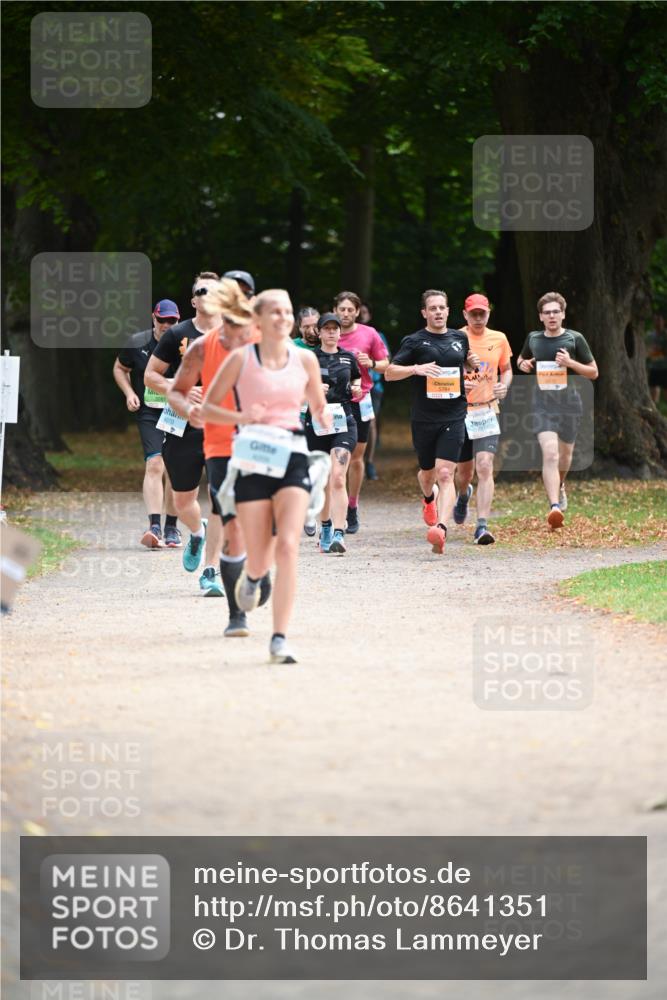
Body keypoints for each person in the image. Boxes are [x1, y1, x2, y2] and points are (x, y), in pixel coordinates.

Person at [200, 289, 330, 664]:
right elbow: (209, 406)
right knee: (259, 553)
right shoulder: (241, 360)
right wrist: (242, 418)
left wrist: (322, 419)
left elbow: (319, 407)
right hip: (253, 457)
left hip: (291, 454)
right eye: (275, 312)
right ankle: (254, 576)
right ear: (258, 321)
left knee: (288, 545)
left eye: (287, 311)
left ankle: (278, 638)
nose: (283, 318)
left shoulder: (305, 359)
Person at [167, 279, 270, 633]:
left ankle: (259, 569)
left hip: (264, 442)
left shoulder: (267, 340)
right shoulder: (201, 347)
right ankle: (235, 614)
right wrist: (187, 410)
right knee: (231, 523)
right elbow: (177, 392)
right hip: (220, 445)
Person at [144, 271, 225, 593]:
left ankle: (211, 570)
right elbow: (151, 376)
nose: (208, 295)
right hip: (183, 427)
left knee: (221, 500)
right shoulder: (177, 333)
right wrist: (178, 388)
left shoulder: (233, 335)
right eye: (201, 291)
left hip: (222, 428)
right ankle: (196, 532)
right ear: (193, 300)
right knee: (181, 501)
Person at [385, 289, 479, 555]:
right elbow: (391, 373)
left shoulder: (460, 338)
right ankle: (429, 498)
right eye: (433, 308)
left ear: (448, 311)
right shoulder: (414, 341)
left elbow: (466, 367)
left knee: (446, 473)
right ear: (424, 313)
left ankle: (441, 527)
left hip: (454, 414)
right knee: (427, 475)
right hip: (424, 417)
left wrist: (471, 364)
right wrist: (416, 369)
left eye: (442, 307)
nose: (438, 312)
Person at [516, 291, 598, 529]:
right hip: (542, 405)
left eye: (556, 312)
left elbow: (594, 372)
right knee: (550, 454)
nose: (552, 316)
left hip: (570, 404)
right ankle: (553, 507)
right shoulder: (533, 338)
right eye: (547, 312)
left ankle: (560, 486)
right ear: (541, 317)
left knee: (564, 457)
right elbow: (521, 361)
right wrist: (524, 364)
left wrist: (570, 363)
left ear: (563, 314)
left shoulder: (575, 339)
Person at [113, 299, 182, 548]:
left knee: (175, 469)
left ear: (178, 320)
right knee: (155, 463)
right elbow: (120, 368)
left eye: (172, 320)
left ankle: (172, 527)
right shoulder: (137, 342)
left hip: (178, 412)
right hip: (149, 412)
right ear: (153, 318)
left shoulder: (186, 343)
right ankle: (154, 526)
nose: (166, 324)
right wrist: (130, 393)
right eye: (162, 319)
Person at [454, 293, 513, 544]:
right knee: (464, 473)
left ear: (488, 314)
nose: (478, 318)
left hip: (487, 409)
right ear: (465, 315)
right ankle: (463, 494)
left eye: (483, 313)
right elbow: (444, 370)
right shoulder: (454, 337)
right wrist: (459, 380)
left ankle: (481, 526)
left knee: (485, 466)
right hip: (459, 412)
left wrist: (504, 386)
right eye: (473, 313)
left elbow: (506, 369)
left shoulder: (499, 338)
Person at [303, 313, 361, 554]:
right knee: (322, 479)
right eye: (326, 328)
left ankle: (339, 532)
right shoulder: (309, 358)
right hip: (316, 423)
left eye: (334, 329)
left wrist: (357, 388)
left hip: (343, 421)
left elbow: (357, 382)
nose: (331, 332)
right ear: (319, 332)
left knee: (337, 476)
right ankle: (324, 526)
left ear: (339, 332)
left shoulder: (348, 357)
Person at [334, 291, 389, 533]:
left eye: (350, 310)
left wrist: (372, 365)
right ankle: (334, 509)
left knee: (356, 458)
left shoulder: (369, 334)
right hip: (332, 402)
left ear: (357, 312)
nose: (346, 314)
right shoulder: (327, 331)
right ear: (335, 310)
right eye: (342, 309)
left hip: (361, 399)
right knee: (335, 459)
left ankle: (352, 507)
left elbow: (387, 364)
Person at [359, 303, 388, 481]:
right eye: (359, 312)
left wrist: (371, 363)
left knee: (370, 423)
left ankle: (369, 462)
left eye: (364, 312)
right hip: (347, 389)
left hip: (372, 388)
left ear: (369, 315)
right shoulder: (341, 334)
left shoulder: (377, 336)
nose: (361, 315)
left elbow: (386, 361)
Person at [646, 314, 667, 404]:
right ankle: (655, 411)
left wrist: (657, 351)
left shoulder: (666, 335)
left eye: (659, 320)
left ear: (664, 322)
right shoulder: (650, 335)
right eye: (656, 320)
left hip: (665, 368)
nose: (657, 322)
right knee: (653, 391)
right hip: (654, 367)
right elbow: (647, 350)